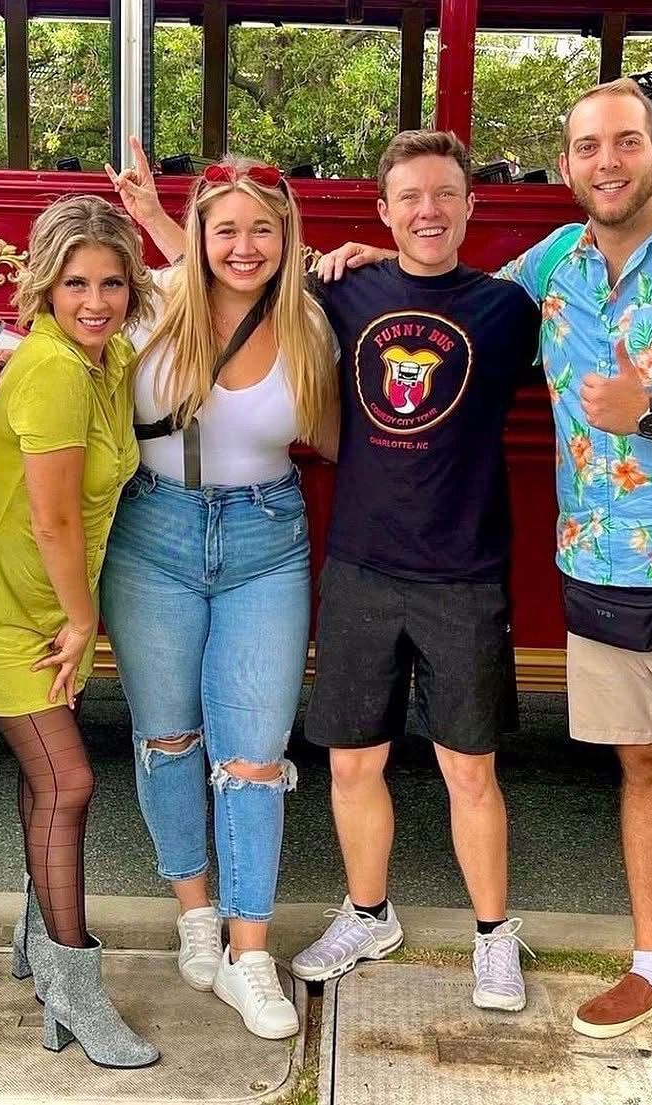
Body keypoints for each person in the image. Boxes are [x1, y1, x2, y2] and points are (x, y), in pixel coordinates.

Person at [320, 79, 652, 1105]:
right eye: (582, 147)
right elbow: (437, 289)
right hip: (599, 565)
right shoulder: (547, 271)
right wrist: (353, 261)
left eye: (622, 143)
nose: (602, 162)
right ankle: (651, 967)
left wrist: (650, 413)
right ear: (563, 167)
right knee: (643, 772)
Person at [264, 130, 541, 1012]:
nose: (429, 210)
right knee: (353, 763)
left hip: (463, 572)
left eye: (445, 195)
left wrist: (392, 249)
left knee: (470, 769)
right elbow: (223, 277)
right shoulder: (347, 290)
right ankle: (368, 911)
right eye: (409, 198)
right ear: (382, 210)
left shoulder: (506, 308)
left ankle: (495, 935)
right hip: (361, 567)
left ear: (470, 205)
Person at [100, 148, 337, 1040]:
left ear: (288, 237)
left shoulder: (312, 323)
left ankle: (249, 953)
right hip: (152, 533)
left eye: (262, 230)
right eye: (224, 228)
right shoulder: (151, 304)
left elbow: (347, 437)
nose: (243, 246)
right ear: (195, 235)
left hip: (265, 540)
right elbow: (58, 337)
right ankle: (194, 911)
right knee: (166, 737)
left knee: (253, 753)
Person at [0, 194, 159, 1068]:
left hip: (43, 608)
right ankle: (74, 987)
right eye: (75, 284)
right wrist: (83, 621)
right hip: (7, 613)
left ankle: (39, 951)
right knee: (69, 783)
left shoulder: (103, 357)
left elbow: (197, 286)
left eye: (111, 282)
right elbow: (56, 520)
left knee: (48, 782)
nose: (96, 301)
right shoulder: (56, 369)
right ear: (47, 287)